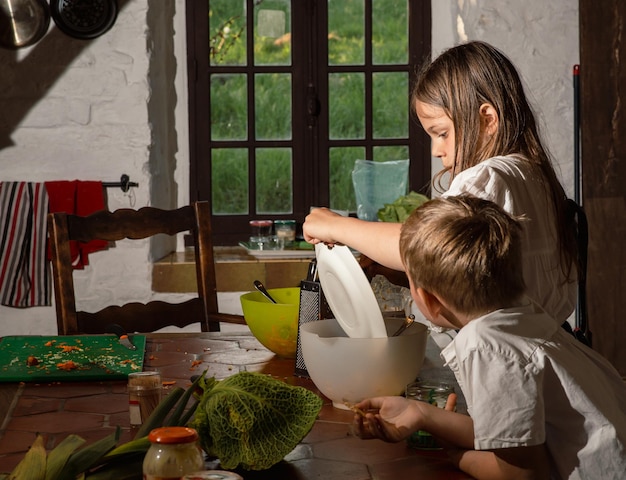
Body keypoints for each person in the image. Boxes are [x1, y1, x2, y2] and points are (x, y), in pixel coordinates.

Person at [303, 41, 578, 325]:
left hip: (503, 354)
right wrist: (400, 273)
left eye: (442, 133)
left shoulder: (487, 177)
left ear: (487, 120)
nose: (436, 150)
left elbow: (423, 245)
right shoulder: (532, 175)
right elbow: (486, 275)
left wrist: (335, 225)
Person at [352, 195, 626, 480]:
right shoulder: (523, 317)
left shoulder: (487, 348)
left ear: (427, 298)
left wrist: (460, 458)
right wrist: (421, 414)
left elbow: (522, 474)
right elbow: (517, 436)